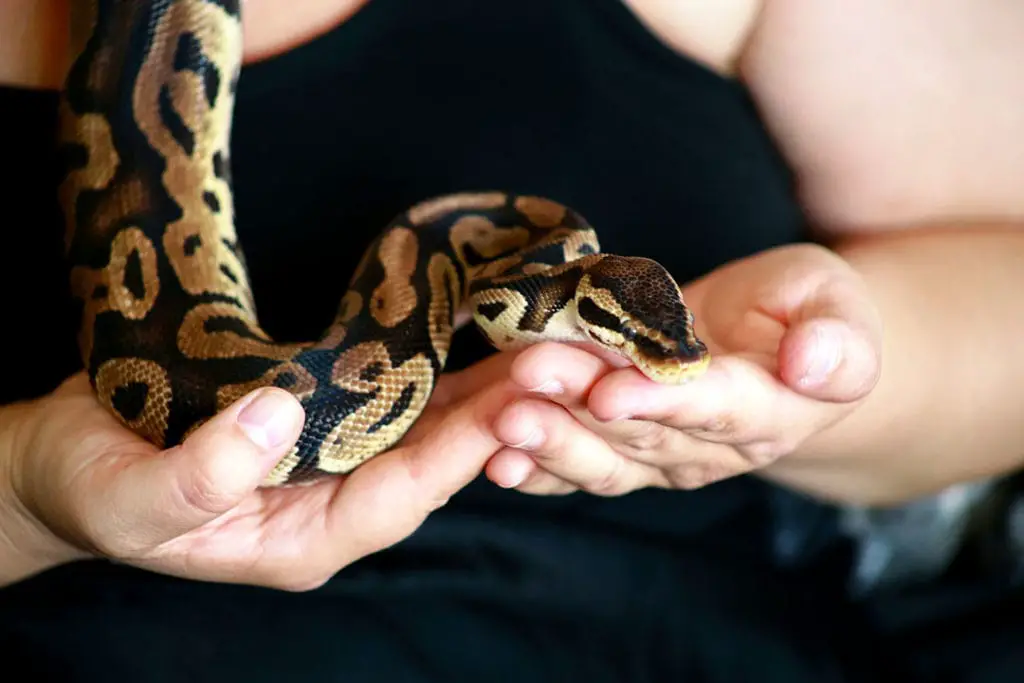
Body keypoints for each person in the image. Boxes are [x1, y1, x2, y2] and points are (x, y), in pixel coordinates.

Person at [1, 0, 1022, 680]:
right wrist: (21, 497)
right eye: (636, 333)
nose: (664, 349)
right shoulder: (489, 289)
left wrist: (823, 385)